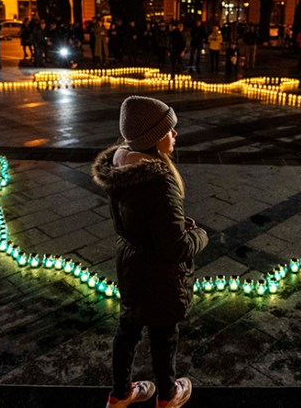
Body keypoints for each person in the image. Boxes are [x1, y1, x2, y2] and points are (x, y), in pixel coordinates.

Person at [92, 96, 208, 408]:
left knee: (127, 331)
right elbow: (175, 248)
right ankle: (168, 396)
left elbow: (137, 219)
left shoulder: (122, 169)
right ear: (154, 137)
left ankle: (119, 394)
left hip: (131, 265)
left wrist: (172, 223)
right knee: (164, 337)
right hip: (160, 276)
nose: (175, 135)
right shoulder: (159, 181)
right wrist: (200, 235)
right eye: (170, 130)